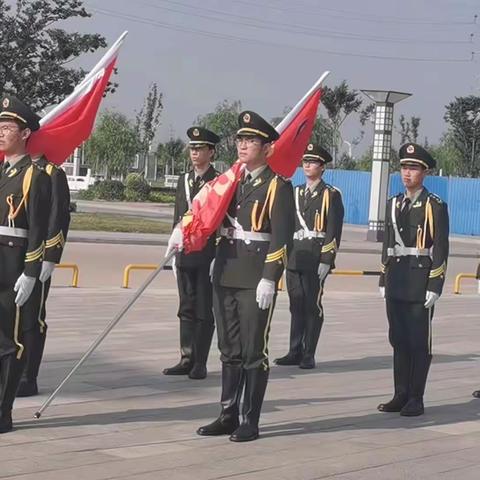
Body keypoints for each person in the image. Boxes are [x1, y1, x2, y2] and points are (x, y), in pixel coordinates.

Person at [196, 111, 295, 442]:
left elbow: (282, 237)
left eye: (251, 140)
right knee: (228, 349)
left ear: (266, 148)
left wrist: (271, 276)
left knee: (254, 350)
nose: (243, 145)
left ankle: (249, 419)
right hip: (225, 271)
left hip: (255, 278)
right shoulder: (229, 181)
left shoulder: (278, 186)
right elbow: (210, 218)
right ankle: (227, 413)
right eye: (239, 140)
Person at [378, 143, 449, 417]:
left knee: (419, 341)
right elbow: (387, 244)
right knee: (398, 339)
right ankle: (400, 393)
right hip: (397, 277)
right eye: (404, 168)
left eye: (413, 168)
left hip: (420, 280)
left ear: (425, 172)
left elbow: (441, 248)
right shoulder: (393, 203)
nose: (407, 173)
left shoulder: (434, 205)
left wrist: (435, 284)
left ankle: (416, 397)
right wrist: (384, 277)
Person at [0, 95, 51, 433]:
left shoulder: (34, 174)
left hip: (15, 266)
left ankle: (3, 413)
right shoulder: (4, 170)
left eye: (8, 127)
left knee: (10, 342)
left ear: (25, 133)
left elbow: (39, 228)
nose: (2, 132)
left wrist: (32, 272)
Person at [275, 143, 344, 369]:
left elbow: (334, 230)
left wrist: (327, 259)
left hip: (316, 257)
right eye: (305, 161)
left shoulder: (330, 195)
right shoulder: (295, 193)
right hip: (295, 256)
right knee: (296, 304)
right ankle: (294, 350)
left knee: (312, 305)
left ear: (322, 167)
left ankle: (309, 352)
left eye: (312, 162)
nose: (307, 165)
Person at [163, 127, 220, 380]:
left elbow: (222, 220)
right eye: (192, 148)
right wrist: (174, 244)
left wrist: (219, 253)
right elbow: (178, 216)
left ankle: (200, 362)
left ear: (211, 152)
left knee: (203, 309)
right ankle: (186, 357)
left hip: (207, 252)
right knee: (185, 306)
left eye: (200, 148)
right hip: (185, 251)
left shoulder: (220, 181)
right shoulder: (184, 180)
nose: (195, 153)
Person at [16, 155, 71, 397]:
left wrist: (51, 255)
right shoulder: (10, 169)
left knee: (32, 317)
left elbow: (58, 215)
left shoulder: (51, 172)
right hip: (10, 254)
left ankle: (29, 377)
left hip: (35, 256)